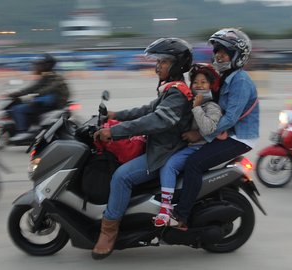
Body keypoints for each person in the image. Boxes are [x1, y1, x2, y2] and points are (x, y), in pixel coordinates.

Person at [91, 37, 194, 259]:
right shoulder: (170, 89)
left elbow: (155, 120)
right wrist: (115, 116)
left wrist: (115, 131)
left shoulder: (178, 93)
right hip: (158, 146)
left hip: (165, 153)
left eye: (163, 62)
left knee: (121, 177)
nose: (158, 66)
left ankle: (109, 233)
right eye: (158, 62)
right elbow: (147, 110)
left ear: (177, 65)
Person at [171, 28, 259, 229]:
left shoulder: (241, 81)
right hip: (224, 133)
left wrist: (199, 133)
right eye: (217, 50)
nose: (219, 55)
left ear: (237, 56)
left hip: (240, 137)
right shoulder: (226, 76)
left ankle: (182, 216)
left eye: (225, 52)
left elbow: (229, 118)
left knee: (194, 163)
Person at [153, 63, 223, 227]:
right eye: (196, 82)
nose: (199, 85)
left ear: (210, 85)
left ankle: (166, 208)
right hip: (187, 146)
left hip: (199, 148)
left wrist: (197, 108)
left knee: (169, 166)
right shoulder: (189, 102)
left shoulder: (212, 107)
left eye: (203, 82)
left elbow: (208, 128)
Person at [7, 53, 70, 141]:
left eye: (39, 64)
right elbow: (31, 88)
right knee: (24, 105)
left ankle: (22, 132)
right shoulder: (45, 77)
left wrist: (36, 94)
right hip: (45, 103)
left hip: (53, 105)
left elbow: (48, 89)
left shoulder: (56, 78)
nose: (36, 66)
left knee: (18, 109)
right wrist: (15, 93)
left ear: (47, 65)